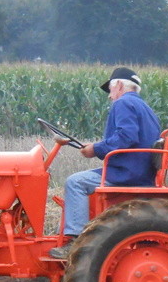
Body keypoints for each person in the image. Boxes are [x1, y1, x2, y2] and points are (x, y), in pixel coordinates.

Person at [49, 67, 161, 259]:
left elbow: (127, 136)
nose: (110, 96)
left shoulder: (123, 103)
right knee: (82, 180)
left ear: (118, 85)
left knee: (75, 182)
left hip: (126, 172)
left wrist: (96, 149)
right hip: (139, 170)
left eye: (109, 89)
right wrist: (96, 147)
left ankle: (76, 242)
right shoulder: (146, 109)